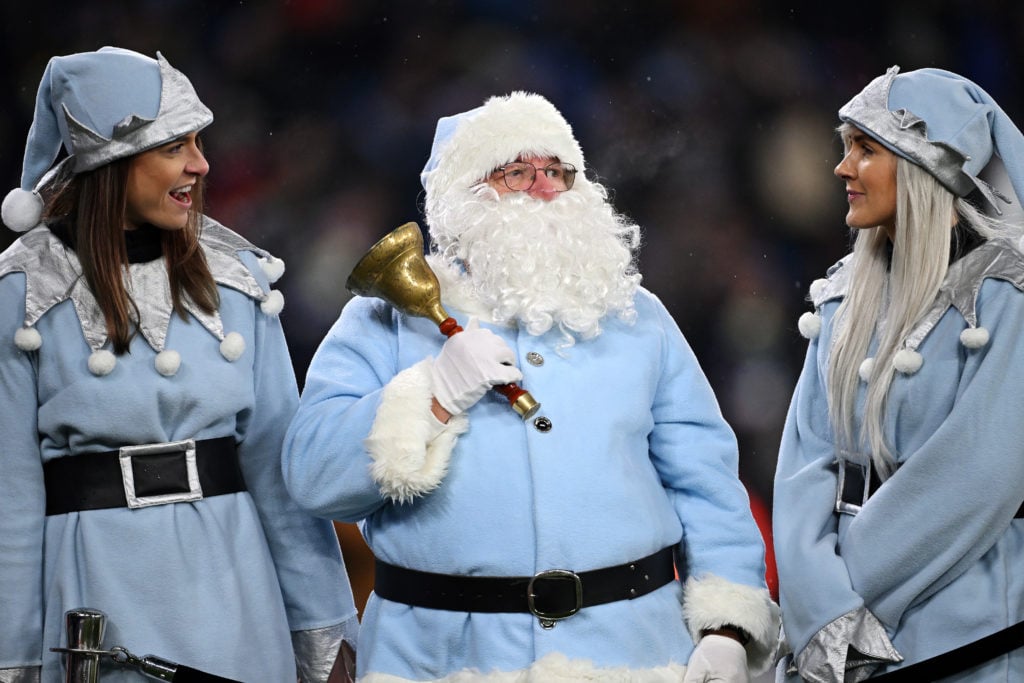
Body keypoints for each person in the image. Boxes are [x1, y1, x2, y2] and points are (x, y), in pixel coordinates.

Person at [282, 91, 779, 682]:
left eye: (558, 171)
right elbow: (312, 478)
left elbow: (708, 483)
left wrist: (726, 629)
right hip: (437, 661)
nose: (546, 188)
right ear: (462, 198)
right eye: (517, 171)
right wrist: (432, 394)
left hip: (633, 655)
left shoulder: (637, 316)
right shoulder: (381, 320)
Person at [0, 47, 358, 682]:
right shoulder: (21, 295)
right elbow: (10, 501)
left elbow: (280, 477)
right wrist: (13, 658)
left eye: (198, 141)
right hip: (91, 604)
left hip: (237, 592)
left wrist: (325, 633)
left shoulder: (243, 279)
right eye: (173, 146)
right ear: (111, 160)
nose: (201, 162)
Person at [773, 65, 1024, 682]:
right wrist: (820, 606)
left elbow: (979, 476)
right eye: (846, 147)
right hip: (835, 631)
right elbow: (806, 461)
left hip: (966, 629)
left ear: (925, 164)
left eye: (866, 149)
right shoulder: (841, 294)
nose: (842, 168)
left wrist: (839, 604)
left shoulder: (1006, 297)